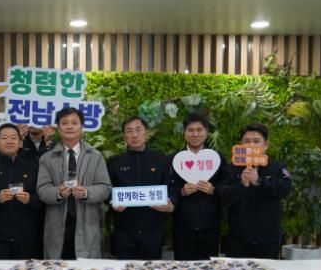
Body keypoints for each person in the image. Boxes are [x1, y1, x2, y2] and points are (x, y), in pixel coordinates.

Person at [37, 107, 111, 259]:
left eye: (74, 123)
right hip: (57, 225)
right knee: (57, 269)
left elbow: (105, 187)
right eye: (64, 123)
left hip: (87, 224)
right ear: (58, 128)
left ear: (81, 127)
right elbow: (42, 189)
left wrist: (87, 192)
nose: (69, 127)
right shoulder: (47, 158)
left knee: (86, 269)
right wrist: (58, 192)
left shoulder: (95, 157)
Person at [218, 123, 292, 259]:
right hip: (238, 239)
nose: (251, 145)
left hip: (268, 238)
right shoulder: (230, 169)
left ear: (266, 145)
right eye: (247, 141)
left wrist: (259, 181)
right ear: (241, 145)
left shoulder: (277, 167)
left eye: (256, 141)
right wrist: (241, 184)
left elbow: (285, 189)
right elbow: (223, 195)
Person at [108, 116, 174, 260]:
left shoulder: (161, 160)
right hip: (124, 231)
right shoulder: (114, 162)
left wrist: (170, 205)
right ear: (124, 136)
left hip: (153, 230)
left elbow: (171, 187)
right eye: (129, 131)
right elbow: (108, 190)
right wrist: (112, 201)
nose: (134, 135)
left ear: (146, 133)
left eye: (138, 130)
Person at [0, 123, 41, 259]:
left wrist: (30, 199)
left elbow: (42, 199)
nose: (9, 141)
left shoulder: (32, 166)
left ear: (20, 142)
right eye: (4, 138)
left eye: (14, 138)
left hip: (26, 237)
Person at [170, 112, 229, 260]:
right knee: (182, 269)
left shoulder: (218, 158)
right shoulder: (174, 159)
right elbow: (167, 188)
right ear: (184, 133)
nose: (195, 134)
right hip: (182, 227)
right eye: (190, 130)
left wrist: (213, 190)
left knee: (209, 268)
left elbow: (227, 187)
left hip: (210, 226)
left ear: (206, 132)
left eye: (199, 130)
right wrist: (181, 192)